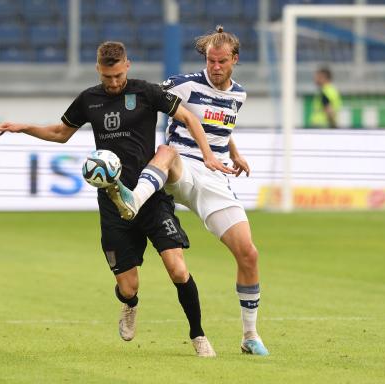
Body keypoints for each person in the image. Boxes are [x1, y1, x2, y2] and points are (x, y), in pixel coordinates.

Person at [0, 41, 234, 357]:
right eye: (107, 78)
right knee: (129, 286)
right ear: (98, 70)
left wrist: (208, 154)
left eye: (118, 75)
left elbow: (189, 117)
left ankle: (198, 336)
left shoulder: (146, 92)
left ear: (127, 66)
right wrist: (24, 128)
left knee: (177, 267)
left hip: (150, 196)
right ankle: (130, 305)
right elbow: (60, 133)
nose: (114, 83)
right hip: (113, 201)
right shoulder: (89, 99)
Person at [107, 27, 269, 356]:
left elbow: (221, 125)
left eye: (222, 61)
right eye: (211, 60)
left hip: (214, 177)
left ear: (234, 60)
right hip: (179, 167)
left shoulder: (239, 95)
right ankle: (133, 200)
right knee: (166, 150)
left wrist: (234, 152)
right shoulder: (183, 83)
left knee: (248, 254)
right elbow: (146, 96)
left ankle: (249, 336)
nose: (215, 67)